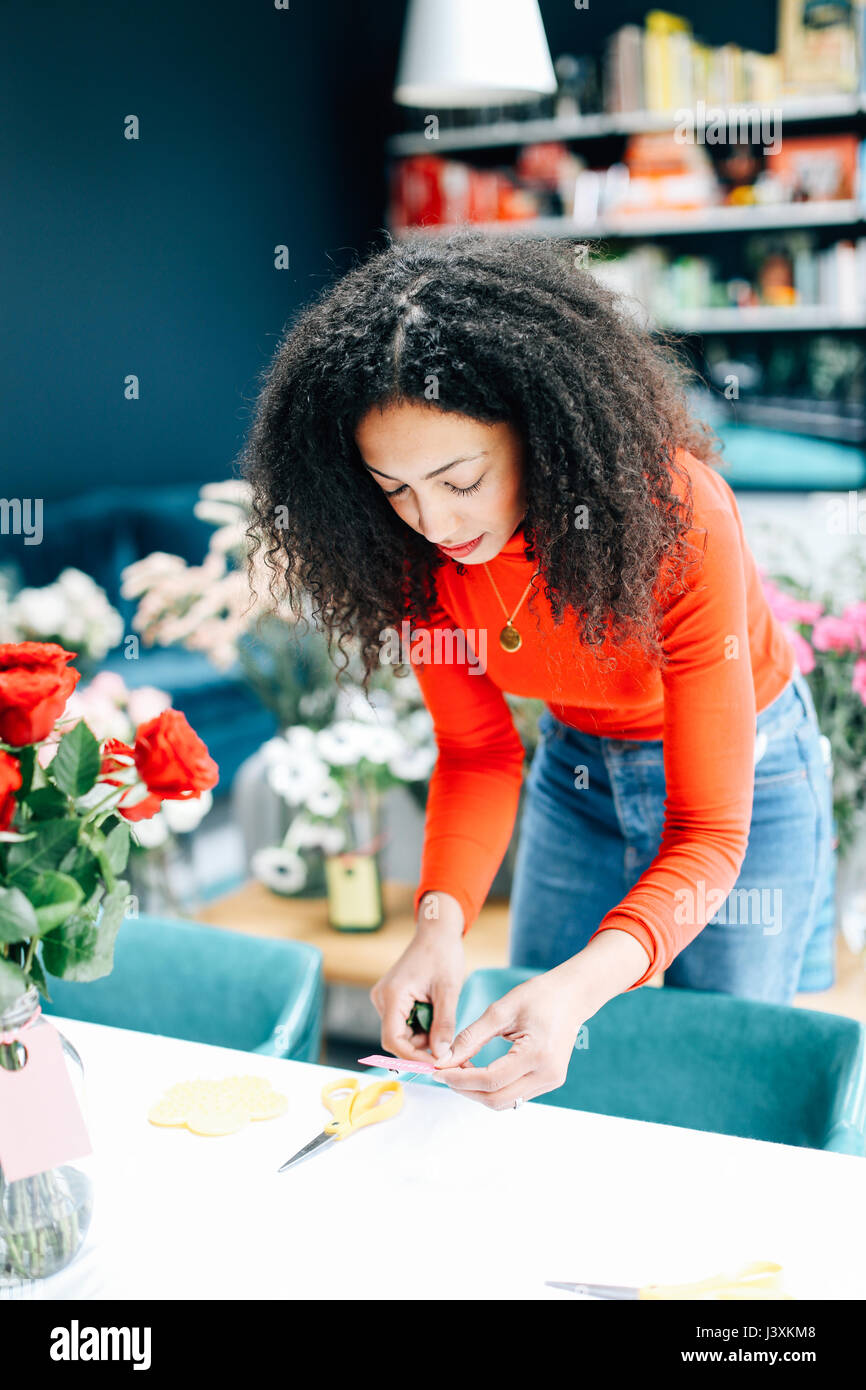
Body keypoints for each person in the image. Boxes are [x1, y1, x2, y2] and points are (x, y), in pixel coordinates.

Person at [242, 230, 833, 1112]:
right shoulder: (411, 558)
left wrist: (581, 984)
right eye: (394, 488)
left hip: (754, 769)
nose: (432, 521)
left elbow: (710, 833)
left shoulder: (676, 516)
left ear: (542, 425)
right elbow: (478, 751)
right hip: (578, 764)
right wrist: (439, 924)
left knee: (729, 1078)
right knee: (540, 1072)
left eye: (459, 478)